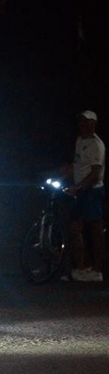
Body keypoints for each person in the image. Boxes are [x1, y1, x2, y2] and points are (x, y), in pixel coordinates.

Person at [66, 110, 105, 282]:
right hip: (79, 190)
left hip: (92, 190)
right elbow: (76, 164)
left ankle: (97, 270)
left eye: (86, 122)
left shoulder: (97, 145)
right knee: (76, 228)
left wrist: (79, 187)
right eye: (81, 121)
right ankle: (81, 267)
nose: (83, 125)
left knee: (95, 230)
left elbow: (95, 174)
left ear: (93, 124)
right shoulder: (79, 140)